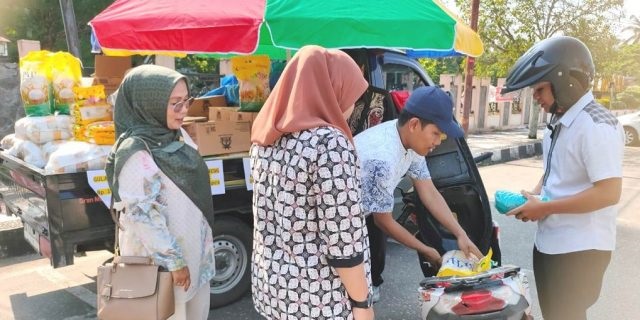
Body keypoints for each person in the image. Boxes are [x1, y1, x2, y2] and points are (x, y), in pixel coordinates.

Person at [501, 36, 624, 320]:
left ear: (566, 81)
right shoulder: (560, 120)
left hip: (580, 249)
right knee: (554, 314)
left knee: (566, 315)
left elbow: (608, 192)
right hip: (551, 241)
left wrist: (544, 207)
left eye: (540, 88)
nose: (535, 97)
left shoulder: (596, 124)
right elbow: (554, 170)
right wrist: (534, 196)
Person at [249, 45, 373, 320]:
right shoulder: (329, 144)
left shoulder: (264, 138)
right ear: (330, 89)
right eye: (350, 94)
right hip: (320, 300)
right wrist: (362, 305)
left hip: (275, 292)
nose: (353, 106)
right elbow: (343, 242)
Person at [105, 65, 215, 320]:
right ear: (148, 104)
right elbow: (140, 215)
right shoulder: (135, 151)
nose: (184, 110)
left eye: (186, 100)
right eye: (175, 103)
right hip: (162, 266)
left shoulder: (177, 135)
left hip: (192, 256)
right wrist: (174, 262)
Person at [354, 86, 483, 302]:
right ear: (414, 124)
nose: (439, 141)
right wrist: (426, 250)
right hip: (334, 225)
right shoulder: (383, 158)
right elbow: (383, 222)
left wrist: (461, 234)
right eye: (436, 133)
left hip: (361, 214)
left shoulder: (408, 140)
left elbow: (429, 192)